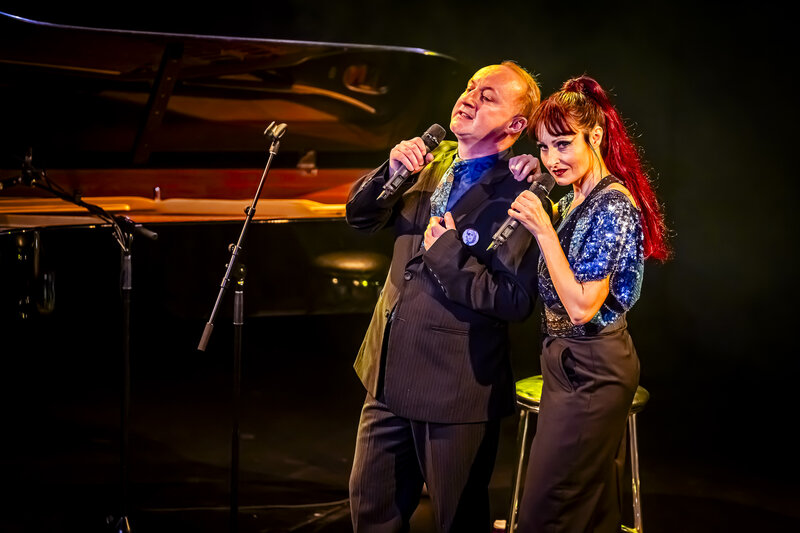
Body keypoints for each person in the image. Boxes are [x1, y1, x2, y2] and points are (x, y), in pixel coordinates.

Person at [345, 61, 541, 532]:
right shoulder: (427, 161)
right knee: (371, 514)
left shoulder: (521, 194)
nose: (469, 98)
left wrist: (449, 254)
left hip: (454, 389)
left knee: (457, 521)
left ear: (516, 126)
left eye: (488, 96)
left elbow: (513, 300)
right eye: (470, 87)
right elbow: (360, 218)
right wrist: (389, 172)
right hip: (387, 375)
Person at [507, 75, 670, 532]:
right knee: (588, 508)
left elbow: (581, 307)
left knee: (549, 509)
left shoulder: (612, 205)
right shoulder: (577, 197)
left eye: (563, 144)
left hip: (593, 365)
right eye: (544, 147)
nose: (552, 159)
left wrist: (544, 230)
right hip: (567, 359)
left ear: (594, 136)